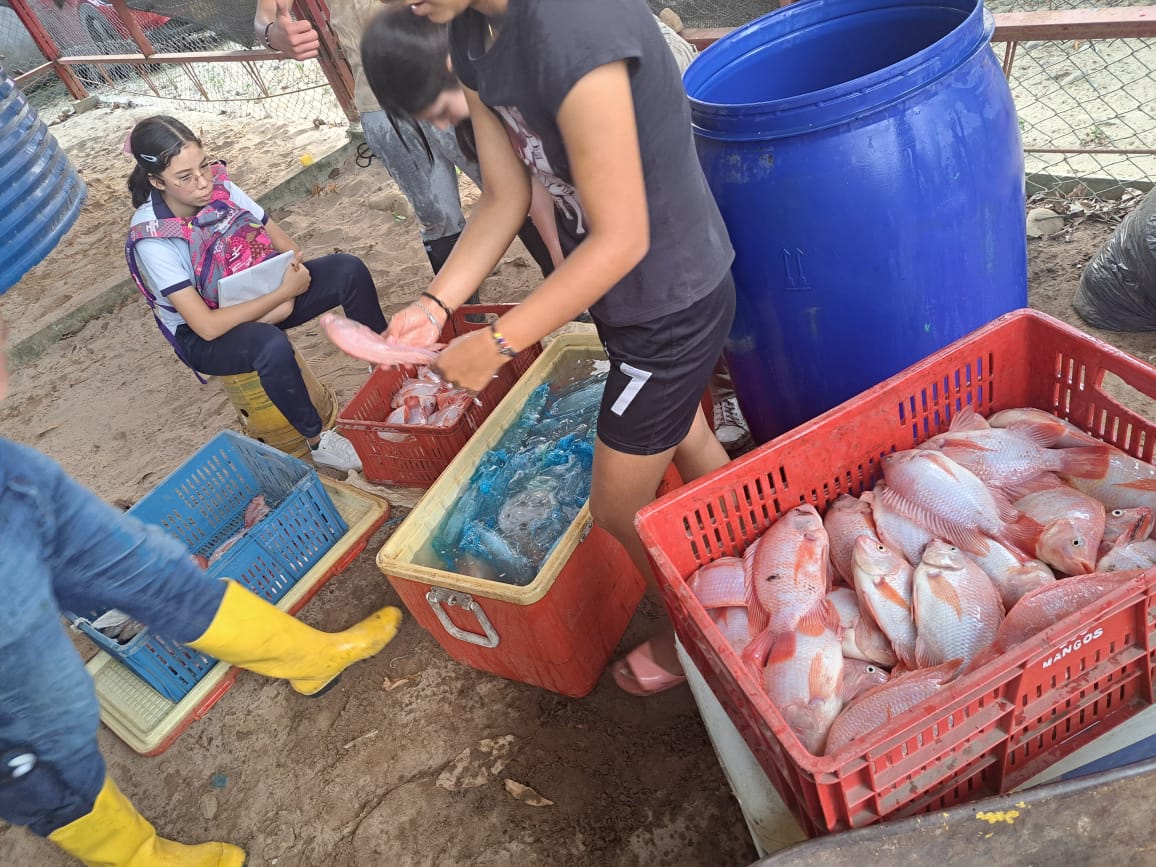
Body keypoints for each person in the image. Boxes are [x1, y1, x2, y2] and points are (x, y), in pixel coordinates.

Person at [360, 0, 736, 695]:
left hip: (670, 300)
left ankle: (702, 637)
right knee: (682, 432)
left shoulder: (572, 30)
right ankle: (742, 558)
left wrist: (499, 341)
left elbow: (624, 237)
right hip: (627, 299)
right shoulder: (471, 33)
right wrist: (434, 304)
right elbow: (505, 194)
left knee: (618, 504)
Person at [0, 313, 404, 864]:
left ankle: (314, 660)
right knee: (41, 727)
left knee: (159, 573)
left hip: (12, 481)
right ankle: (144, 858)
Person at [124, 115, 373, 473]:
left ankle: (385, 367)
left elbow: (286, 247)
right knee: (269, 344)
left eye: (204, 166)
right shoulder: (153, 238)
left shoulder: (222, 187)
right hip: (204, 333)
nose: (203, 183)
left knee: (348, 270)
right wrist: (280, 300)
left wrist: (285, 286)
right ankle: (319, 442)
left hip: (261, 291)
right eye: (185, 177)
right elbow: (206, 327)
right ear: (155, 181)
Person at [255, 0, 559, 279]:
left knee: (514, 188)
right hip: (382, 103)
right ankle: (463, 315)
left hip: (451, 81)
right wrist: (272, 35)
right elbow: (263, 19)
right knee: (438, 218)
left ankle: (563, 283)